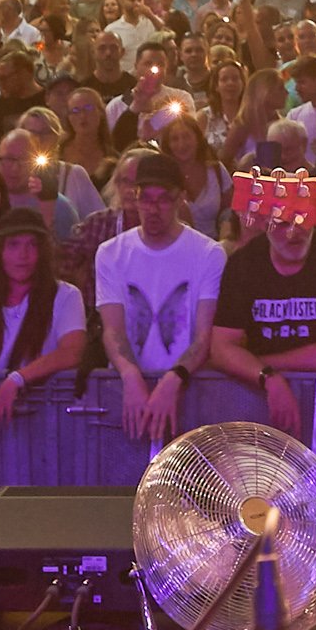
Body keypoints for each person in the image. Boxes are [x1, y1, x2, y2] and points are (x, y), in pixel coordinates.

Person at [91, 150, 225, 445]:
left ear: (180, 200)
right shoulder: (111, 253)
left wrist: (173, 379)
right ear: (134, 198)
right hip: (129, 390)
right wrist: (130, 375)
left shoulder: (208, 254)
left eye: (163, 198)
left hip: (191, 388)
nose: (153, 208)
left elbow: (205, 335)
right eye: (146, 198)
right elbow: (113, 329)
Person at [209, 195, 316, 430]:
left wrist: (257, 366)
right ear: (265, 223)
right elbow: (221, 349)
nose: (294, 232)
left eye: (302, 221)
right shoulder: (243, 263)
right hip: (260, 396)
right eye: (283, 223)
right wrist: (269, 378)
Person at [0, 207, 88, 423]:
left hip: (48, 414)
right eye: (14, 245)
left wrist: (17, 379)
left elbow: (72, 352)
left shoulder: (66, 295)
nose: (23, 255)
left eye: (32, 245)